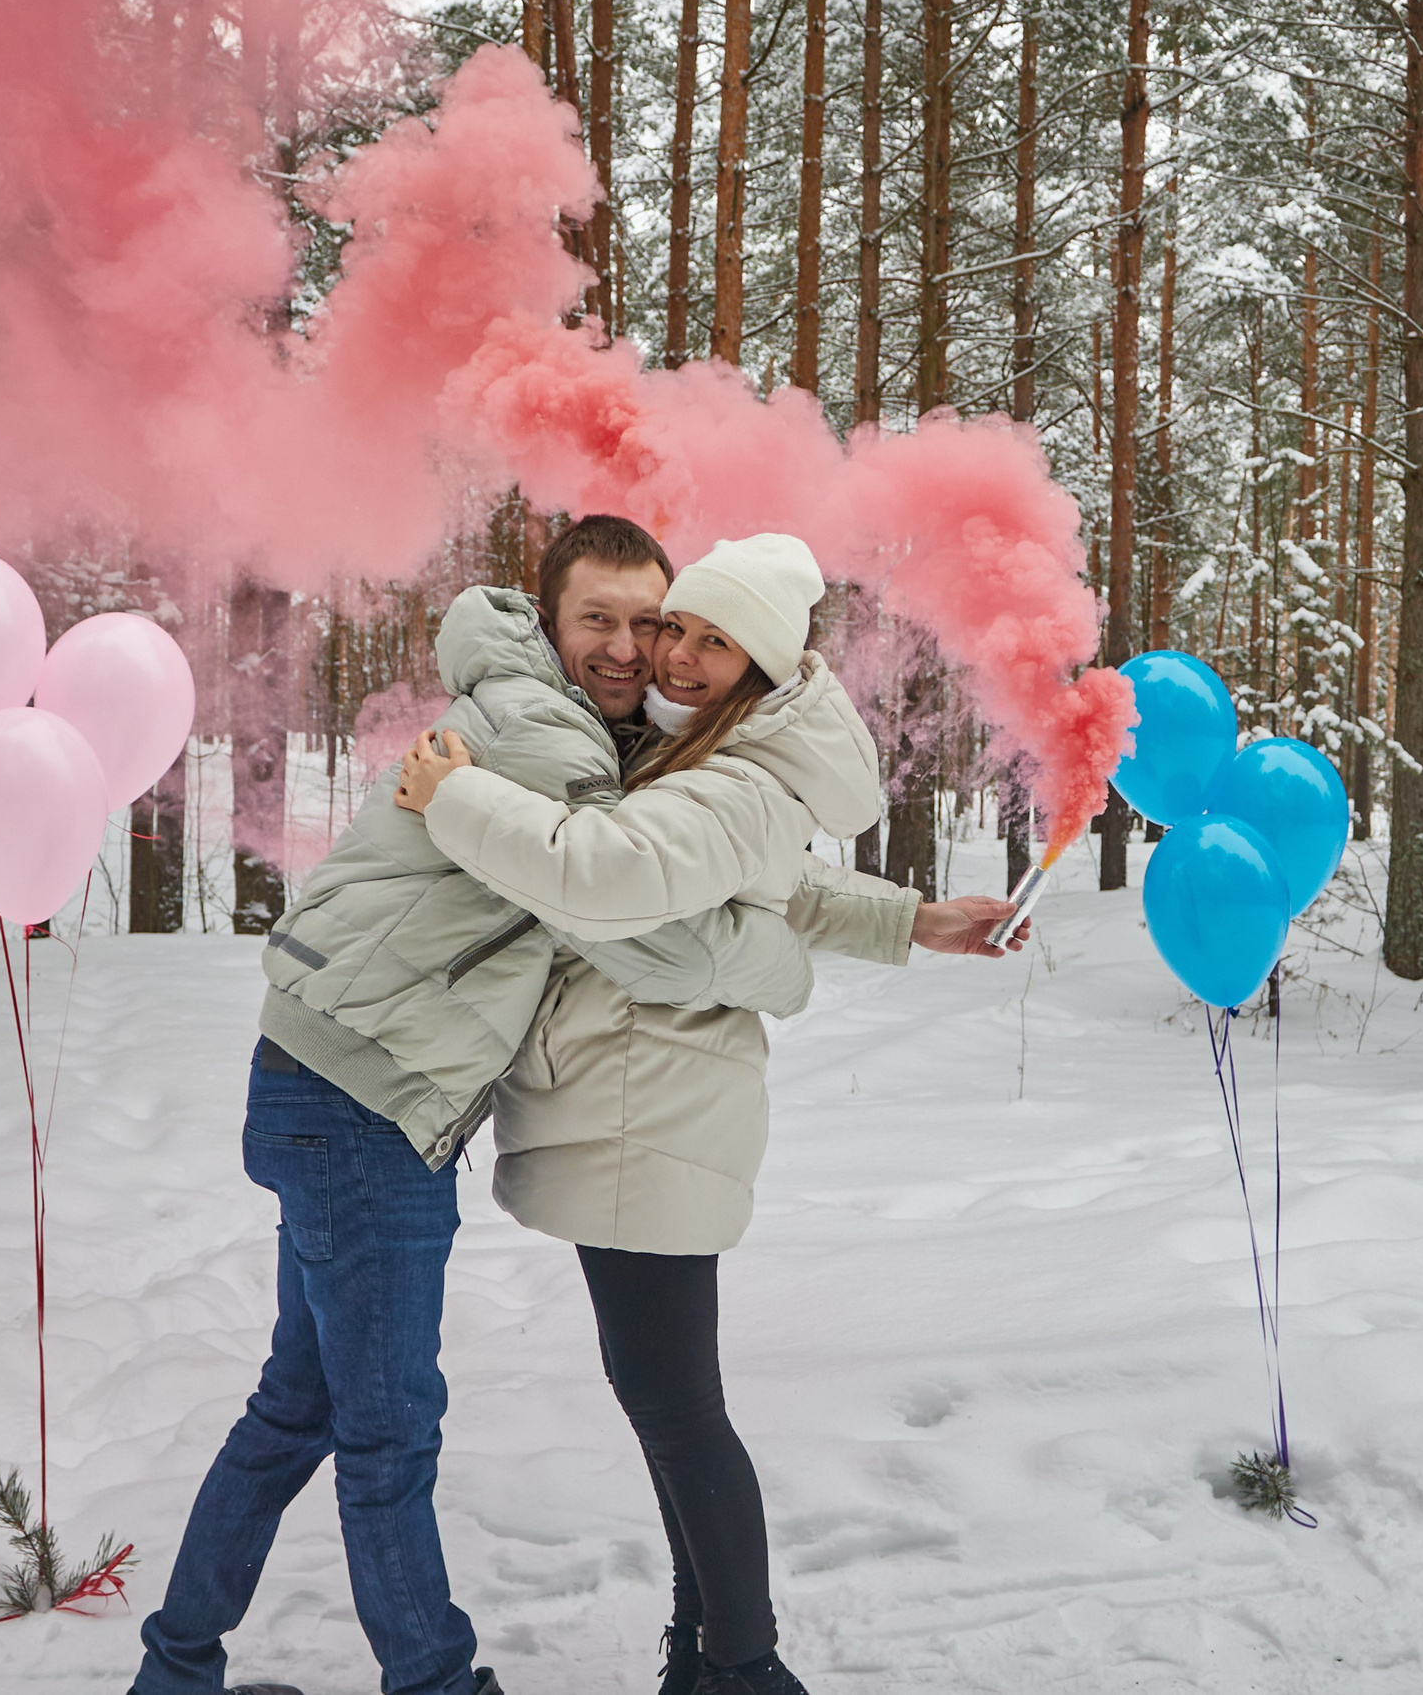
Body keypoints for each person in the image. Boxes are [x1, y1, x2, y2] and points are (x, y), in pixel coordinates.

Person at [132, 517, 1010, 1695]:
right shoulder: (547, 732)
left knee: (300, 1406)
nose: (632, 647)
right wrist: (785, 969)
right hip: (364, 1096)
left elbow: (729, 860)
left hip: (342, 1080)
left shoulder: (597, 733)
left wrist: (898, 919)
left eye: (653, 623)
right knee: (387, 1429)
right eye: (600, 618)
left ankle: (175, 1669)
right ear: (549, 621)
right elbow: (633, 900)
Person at [396, 532, 1020, 1695]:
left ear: (764, 666)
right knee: (668, 1405)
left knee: (678, 1411)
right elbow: (778, 889)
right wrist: (912, 920)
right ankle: (704, 1653)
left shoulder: (731, 779)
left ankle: (743, 1664)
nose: (673, 654)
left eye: (709, 639)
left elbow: (601, 874)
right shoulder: (706, 751)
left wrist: (455, 796)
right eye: (673, 626)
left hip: (652, 1118)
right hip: (639, 1106)